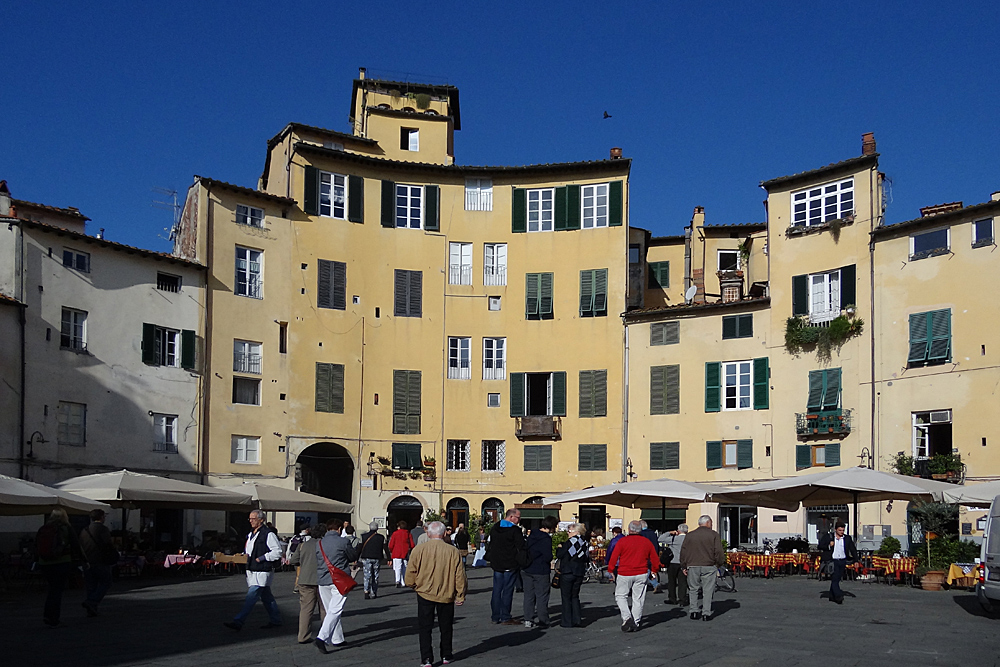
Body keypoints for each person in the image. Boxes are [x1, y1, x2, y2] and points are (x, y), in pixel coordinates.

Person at [405, 521, 467, 667]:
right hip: (446, 593)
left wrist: (413, 585)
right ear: (444, 533)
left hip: (424, 592)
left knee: (425, 627)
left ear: (428, 533)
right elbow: (460, 575)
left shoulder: (419, 550)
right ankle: (446, 654)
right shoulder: (452, 551)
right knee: (446, 626)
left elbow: (410, 572)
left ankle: (426, 658)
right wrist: (460, 594)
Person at [224, 509, 283, 631]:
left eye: (254, 519)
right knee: (267, 597)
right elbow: (250, 550)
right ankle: (276, 619)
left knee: (251, 597)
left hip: (262, 569)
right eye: (250, 519)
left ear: (261, 520)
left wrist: (262, 558)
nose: (251, 521)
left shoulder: (268, 534)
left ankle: (238, 621)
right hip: (252, 568)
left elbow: (277, 552)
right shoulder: (251, 534)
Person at [312, 519, 359, 653]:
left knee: (330, 610)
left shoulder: (319, 543)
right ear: (339, 529)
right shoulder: (343, 541)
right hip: (339, 579)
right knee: (336, 609)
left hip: (323, 578)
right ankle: (321, 638)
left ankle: (337, 638)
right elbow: (352, 556)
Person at [608, 520, 661, 632]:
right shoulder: (646, 542)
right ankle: (636, 622)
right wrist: (654, 570)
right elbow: (655, 559)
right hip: (641, 572)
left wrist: (611, 569)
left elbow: (614, 556)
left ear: (629, 529)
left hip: (624, 572)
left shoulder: (622, 541)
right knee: (638, 598)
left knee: (620, 596)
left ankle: (627, 617)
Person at [36, 507, 83, 627]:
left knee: (52, 589)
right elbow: (76, 545)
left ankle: (47, 615)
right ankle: (53, 618)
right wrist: (83, 560)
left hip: (44, 563)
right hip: (61, 562)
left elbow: (36, 546)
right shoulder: (66, 528)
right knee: (57, 591)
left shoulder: (43, 528)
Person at [679, 515, 725, 621]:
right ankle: (706, 613)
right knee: (708, 590)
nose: (712, 525)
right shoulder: (713, 534)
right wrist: (719, 563)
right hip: (709, 565)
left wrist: (684, 565)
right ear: (708, 523)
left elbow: (684, 551)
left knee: (693, 589)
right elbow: (718, 551)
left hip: (692, 565)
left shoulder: (690, 535)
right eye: (711, 523)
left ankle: (694, 611)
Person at [486, 508, 525, 625]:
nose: (519, 520)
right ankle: (505, 616)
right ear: (511, 517)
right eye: (518, 517)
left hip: (497, 563)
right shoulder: (514, 530)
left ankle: (495, 616)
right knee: (507, 590)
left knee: (497, 590)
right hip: (510, 563)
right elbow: (521, 546)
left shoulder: (495, 528)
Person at [288, 524, 327, 644]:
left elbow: (293, 561)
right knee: (324, 609)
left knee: (306, 610)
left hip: (305, 580)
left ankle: (303, 636)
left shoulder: (302, 545)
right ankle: (326, 634)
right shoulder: (325, 545)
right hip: (322, 580)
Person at [79, 508, 116, 616]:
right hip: (100, 561)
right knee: (106, 582)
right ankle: (92, 602)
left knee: (91, 586)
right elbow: (108, 545)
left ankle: (91, 609)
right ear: (101, 517)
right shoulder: (103, 529)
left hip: (87, 562)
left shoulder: (84, 530)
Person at [522, 515, 556, 628]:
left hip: (528, 568)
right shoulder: (546, 539)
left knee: (528, 595)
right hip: (541, 570)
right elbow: (547, 556)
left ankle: (528, 619)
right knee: (542, 596)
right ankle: (543, 620)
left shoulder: (532, 535)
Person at [555, 522, 589, 628]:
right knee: (575, 596)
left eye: (570, 531)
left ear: (576, 532)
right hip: (579, 572)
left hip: (568, 571)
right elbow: (586, 557)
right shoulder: (585, 542)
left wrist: (559, 547)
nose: (568, 533)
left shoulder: (570, 542)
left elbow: (560, 555)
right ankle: (577, 619)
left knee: (566, 597)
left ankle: (566, 621)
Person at [819, 522, 857, 604]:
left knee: (836, 579)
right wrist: (829, 545)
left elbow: (852, 549)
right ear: (835, 530)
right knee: (835, 578)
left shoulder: (847, 538)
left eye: (843, 530)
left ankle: (832, 596)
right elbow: (820, 546)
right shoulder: (829, 537)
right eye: (840, 530)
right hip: (833, 561)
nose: (841, 532)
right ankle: (838, 596)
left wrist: (856, 560)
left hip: (843, 560)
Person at [661, 524, 689, 606]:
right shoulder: (688, 539)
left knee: (672, 582)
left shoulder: (673, 539)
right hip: (684, 562)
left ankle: (672, 598)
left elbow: (660, 539)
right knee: (682, 582)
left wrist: (669, 532)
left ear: (678, 530)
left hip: (673, 562)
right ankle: (682, 600)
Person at [358, 521, 387, 599]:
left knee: (367, 575)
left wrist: (356, 557)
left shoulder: (363, 536)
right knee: (375, 575)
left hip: (366, 557)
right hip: (377, 558)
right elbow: (385, 548)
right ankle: (373, 592)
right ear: (377, 528)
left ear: (369, 527)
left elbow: (360, 547)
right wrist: (388, 558)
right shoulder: (381, 537)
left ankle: (366, 591)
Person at [389, 520, 415, 587]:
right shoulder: (408, 533)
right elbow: (412, 545)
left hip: (396, 552)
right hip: (405, 552)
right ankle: (404, 581)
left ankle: (397, 580)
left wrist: (391, 551)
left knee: (397, 567)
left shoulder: (395, 533)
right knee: (405, 567)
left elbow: (391, 545)